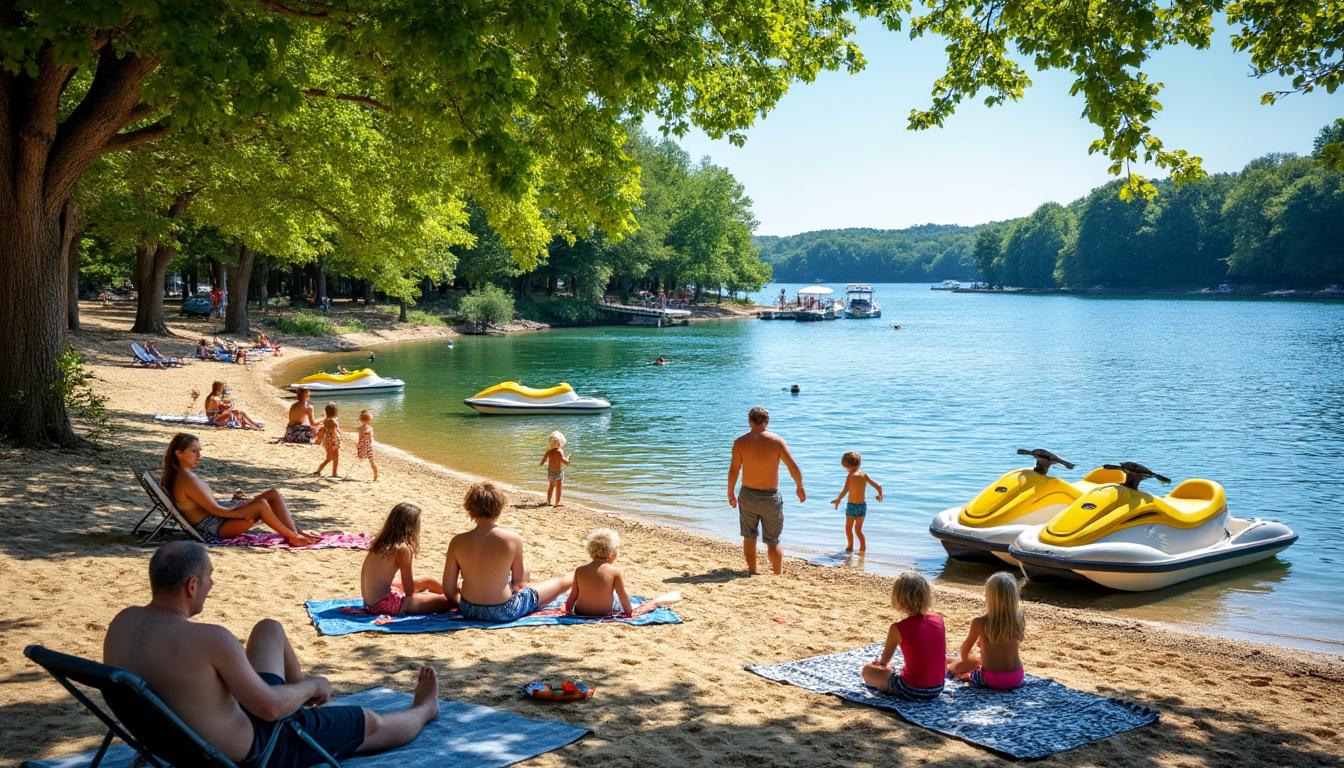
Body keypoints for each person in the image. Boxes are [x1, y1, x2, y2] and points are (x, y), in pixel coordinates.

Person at [105, 542, 439, 766]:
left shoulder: (123, 624)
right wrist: (312, 685)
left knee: (269, 628)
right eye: (209, 577)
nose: (212, 585)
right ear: (191, 585)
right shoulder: (208, 639)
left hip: (175, 735)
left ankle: (306, 709)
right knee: (371, 722)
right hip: (258, 745)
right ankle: (424, 709)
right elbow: (267, 708)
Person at [443, 481, 572, 622]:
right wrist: (509, 588)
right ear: (499, 506)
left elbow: (449, 589)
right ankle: (575, 576)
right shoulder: (511, 539)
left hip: (468, 610)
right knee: (558, 583)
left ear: (469, 507)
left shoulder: (457, 541)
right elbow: (518, 584)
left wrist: (463, 605)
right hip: (504, 610)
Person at [162, 433, 318, 546]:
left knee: (273, 494)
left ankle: (295, 533)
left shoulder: (185, 476)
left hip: (219, 519)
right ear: (179, 453)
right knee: (262, 504)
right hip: (216, 528)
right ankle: (293, 537)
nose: (199, 455)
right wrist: (243, 509)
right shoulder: (186, 479)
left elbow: (207, 506)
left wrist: (234, 502)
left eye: (199, 450)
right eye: (194, 451)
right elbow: (217, 511)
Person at [727, 406, 805, 575]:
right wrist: (799, 486)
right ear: (767, 421)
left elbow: (734, 470)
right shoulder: (777, 442)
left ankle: (752, 571)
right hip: (770, 497)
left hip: (747, 495)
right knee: (773, 541)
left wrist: (730, 492)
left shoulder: (740, 442)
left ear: (749, 421)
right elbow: (793, 466)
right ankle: (777, 574)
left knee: (749, 536)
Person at [861, 571, 946, 701]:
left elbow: (884, 661)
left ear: (898, 599)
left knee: (867, 670)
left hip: (912, 690)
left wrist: (879, 665)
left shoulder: (898, 628)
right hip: (937, 688)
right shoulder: (938, 619)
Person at [361, 503, 454, 615]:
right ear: (410, 526)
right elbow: (409, 589)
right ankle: (457, 595)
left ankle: (452, 591)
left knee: (428, 580)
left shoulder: (379, 542)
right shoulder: (402, 549)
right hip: (383, 605)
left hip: (369, 603)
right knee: (448, 601)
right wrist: (422, 598)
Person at [946, 572, 1026, 690]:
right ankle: (955, 662)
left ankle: (964, 675)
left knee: (956, 667)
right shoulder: (1019, 618)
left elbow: (964, 653)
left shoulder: (979, 622)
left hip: (992, 679)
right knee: (978, 657)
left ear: (988, 598)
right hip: (1017, 677)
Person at [564, 528, 633, 617]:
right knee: (616, 596)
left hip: (580, 612)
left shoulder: (579, 570)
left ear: (590, 552)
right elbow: (623, 597)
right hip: (604, 613)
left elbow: (573, 596)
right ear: (611, 554)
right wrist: (629, 613)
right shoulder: (615, 572)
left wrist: (568, 612)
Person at [831, 451, 884, 552]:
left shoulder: (850, 476)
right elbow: (878, 486)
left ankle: (850, 547)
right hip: (862, 507)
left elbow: (845, 490)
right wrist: (880, 495)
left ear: (846, 466)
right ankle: (863, 548)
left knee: (848, 528)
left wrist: (838, 499)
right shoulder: (864, 475)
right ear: (859, 464)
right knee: (858, 530)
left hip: (852, 506)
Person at [539, 431, 570, 507]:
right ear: (560, 443)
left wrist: (540, 465)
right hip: (558, 473)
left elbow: (542, 462)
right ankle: (557, 503)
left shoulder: (548, 452)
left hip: (551, 473)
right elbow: (565, 462)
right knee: (558, 488)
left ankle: (548, 502)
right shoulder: (560, 452)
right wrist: (569, 457)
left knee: (551, 486)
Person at [314, 403, 342, 478]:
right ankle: (334, 473)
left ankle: (319, 470)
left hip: (327, 441)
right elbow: (335, 431)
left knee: (329, 458)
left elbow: (325, 430)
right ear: (335, 411)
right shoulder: (333, 421)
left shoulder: (325, 420)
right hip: (333, 441)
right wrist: (339, 437)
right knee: (336, 457)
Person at [355, 410, 379, 482]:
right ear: (369, 420)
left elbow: (360, 439)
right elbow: (371, 439)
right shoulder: (370, 429)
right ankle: (375, 476)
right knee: (372, 461)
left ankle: (375, 476)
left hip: (363, 446)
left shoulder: (360, 429)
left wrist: (358, 446)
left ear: (361, 420)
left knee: (363, 458)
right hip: (368, 447)